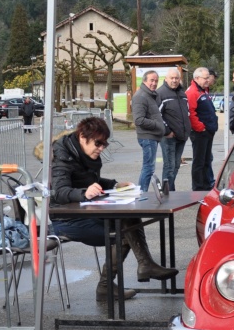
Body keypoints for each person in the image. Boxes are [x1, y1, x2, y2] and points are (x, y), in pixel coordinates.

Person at [50, 117, 177, 301]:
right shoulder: (63, 156)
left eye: (104, 144)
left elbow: (88, 181)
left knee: (129, 217)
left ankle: (145, 264)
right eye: (98, 143)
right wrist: (85, 192)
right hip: (67, 219)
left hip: (85, 212)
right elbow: (60, 191)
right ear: (82, 137)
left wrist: (115, 184)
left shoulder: (84, 153)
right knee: (123, 235)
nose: (101, 148)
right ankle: (106, 287)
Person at [156, 67, 191, 191]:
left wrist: (187, 129)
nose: (174, 80)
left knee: (176, 165)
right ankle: (167, 192)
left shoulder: (182, 93)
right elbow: (157, 115)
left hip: (181, 136)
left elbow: (187, 112)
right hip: (168, 137)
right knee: (169, 166)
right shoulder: (160, 93)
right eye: (172, 78)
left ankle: (169, 189)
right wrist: (167, 131)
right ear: (166, 79)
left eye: (177, 78)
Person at [132, 70, 165, 192]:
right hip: (147, 137)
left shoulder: (150, 95)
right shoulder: (141, 96)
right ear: (144, 81)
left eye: (156, 80)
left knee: (149, 167)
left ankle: (141, 192)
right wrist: (157, 125)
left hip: (152, 136)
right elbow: (139, 120)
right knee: (148, 167)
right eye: (152, 80)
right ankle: (142, 193)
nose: (154, 83)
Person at [187, 67, 218, 191]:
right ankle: (198, 187)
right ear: (196, 78)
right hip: (200, 132)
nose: (208, 80)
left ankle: (206, 184)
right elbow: (191, 112)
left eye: (208, 77)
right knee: (199, 161)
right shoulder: (192, 92)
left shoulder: (203, 90)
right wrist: (201, 128)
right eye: (205, 78)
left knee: (206, 160)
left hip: (207, 131)